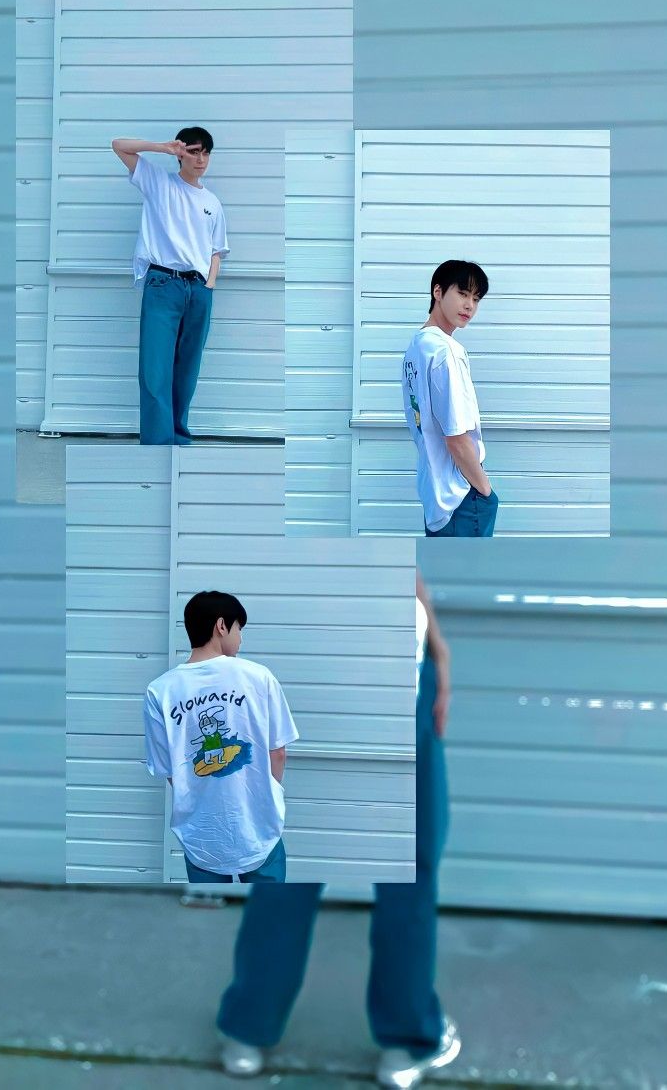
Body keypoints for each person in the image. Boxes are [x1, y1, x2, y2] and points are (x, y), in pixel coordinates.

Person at [213, 572, 461, 1088]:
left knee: (293, 858)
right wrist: (435, 641)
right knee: (408, 866)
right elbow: (400, 566)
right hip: (387, 672)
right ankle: (405, 1042)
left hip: (308, 671)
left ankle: (248, 1033)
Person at [143, 590, 299, 883]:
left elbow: (169, 771)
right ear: (221, 626)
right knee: (268, 914)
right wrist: (266, 793)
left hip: (202, 835)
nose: (241, 639)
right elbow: (278, 752)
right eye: (239, 628)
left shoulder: (159, 691)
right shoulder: (259, 677)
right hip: (259, 828)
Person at [111, 128, 229, 445]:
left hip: (199, 288)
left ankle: (178, 436)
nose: (200, 159)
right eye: (194, 151)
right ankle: (157, 443)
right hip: (163, 283)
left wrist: (209, 285)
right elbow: (119, 145)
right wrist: (161, 147)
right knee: (154, 369)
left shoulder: (212, 202)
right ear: (181, 153)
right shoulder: (159, 183)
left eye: (206, 153)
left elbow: (217, 250)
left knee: (187, 369)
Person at [402, 260, 499, 537]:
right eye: (463, 293)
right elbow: (456, 438)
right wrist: (485, 490)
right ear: (438, 292)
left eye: (476, 298)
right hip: (461, 496)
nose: (469, 305)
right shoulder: (447, 352)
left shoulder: (417, 346)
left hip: (435, 490)